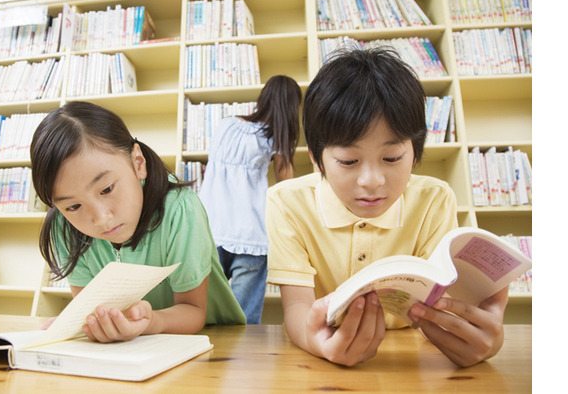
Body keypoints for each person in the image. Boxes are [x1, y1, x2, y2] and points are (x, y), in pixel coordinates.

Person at [265, 48, 507, 367]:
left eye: (392, 158)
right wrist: (315, 341)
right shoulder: (287, 202)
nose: (372, 180)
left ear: (416, 151)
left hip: (411, 361)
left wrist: (477, 335)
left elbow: (442, 304)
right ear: (315, 157)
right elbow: (297, 307)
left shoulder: (434, 200)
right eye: (348, 161)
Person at [30, 101, 246, 343]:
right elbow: (90, 310)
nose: (101, 218)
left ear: (138, 163)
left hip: (217, 341)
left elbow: (194, 311)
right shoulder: (65, 227)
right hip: (132, 351)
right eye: (73, 206)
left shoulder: (180, 209)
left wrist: (151, 322)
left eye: (107, 189)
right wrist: (82, 323)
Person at [198, 75, 302, 324]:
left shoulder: (224, 125)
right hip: (252, 235)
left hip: (212, 230)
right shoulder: (273, 138)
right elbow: (285, 185)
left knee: (203, 312)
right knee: (242, 320)